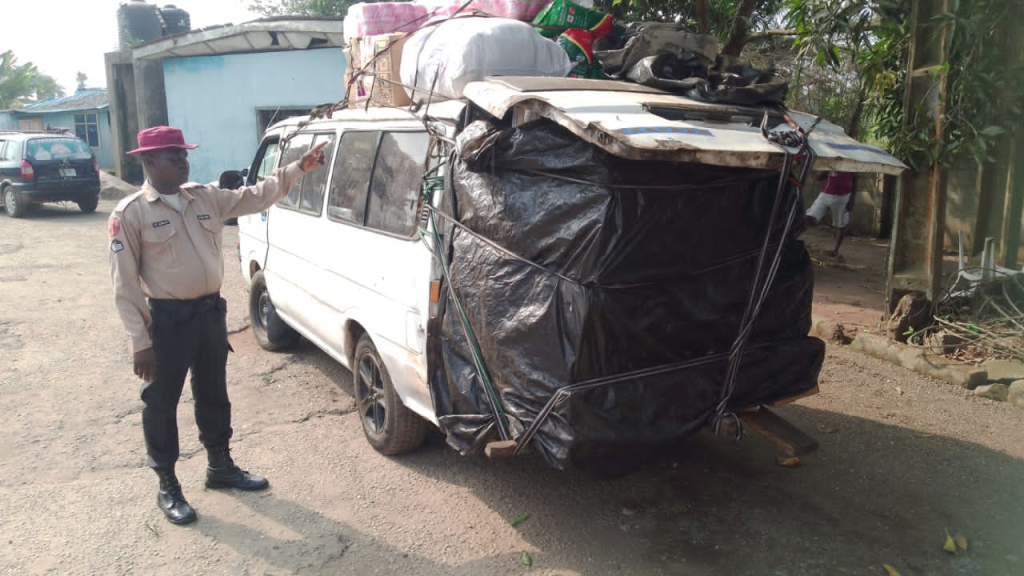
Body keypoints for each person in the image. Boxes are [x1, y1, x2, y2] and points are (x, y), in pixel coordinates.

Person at [108, 126, 327, 525]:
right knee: (160, 404)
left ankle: (220, 467)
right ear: (149, 161)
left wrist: (298, 168)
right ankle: (168, 485)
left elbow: (256, 195)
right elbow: (124, 286)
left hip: (210, 315)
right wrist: (140, 342)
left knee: (213, 394)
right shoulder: (131, 213)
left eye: (184, 154)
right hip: (168, 323)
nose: (183, 160)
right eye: (174, 155)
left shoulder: (204, 196)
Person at [804, 170, 856, 257]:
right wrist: (827, 169)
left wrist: (852, 199)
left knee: (840, 225)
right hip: (825, 194)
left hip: (843, 196)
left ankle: (835, 250)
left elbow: (855, 181)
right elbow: (817, 178)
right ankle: (796, 241)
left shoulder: (849, 163)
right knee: (809, 217)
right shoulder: (830, 163)